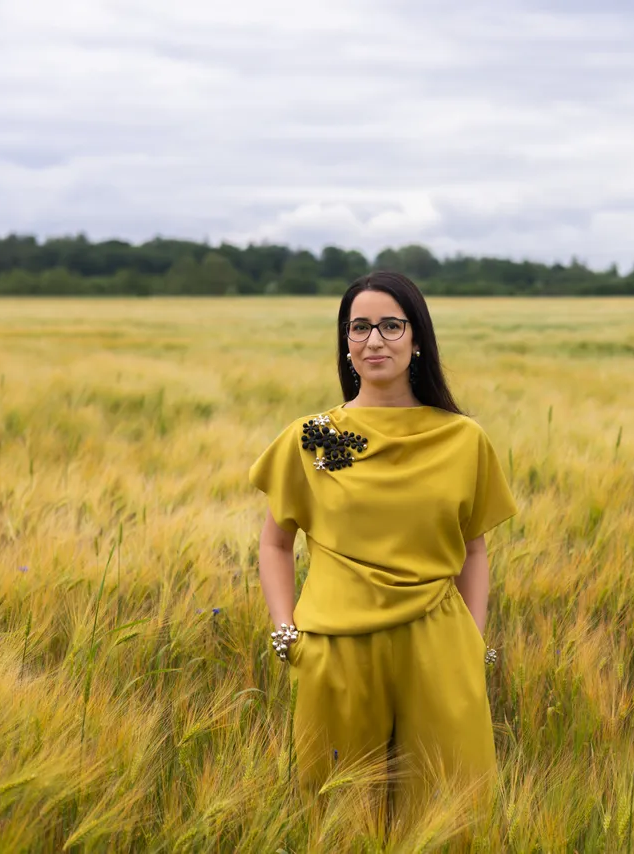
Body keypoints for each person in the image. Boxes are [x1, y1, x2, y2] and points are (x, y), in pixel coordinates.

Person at [248, 270, 518, 825]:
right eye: (359, 328)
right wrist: (285, 630)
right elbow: (276, 542)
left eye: (391, 326)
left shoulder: (463, 439)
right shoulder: (313, 437)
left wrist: (473, 638)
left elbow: (474, 550)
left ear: (418, 338)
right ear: (346, 344)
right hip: (335, 647)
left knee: (451, 806)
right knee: (337, 816)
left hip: (438, 643)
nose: (375, 341)